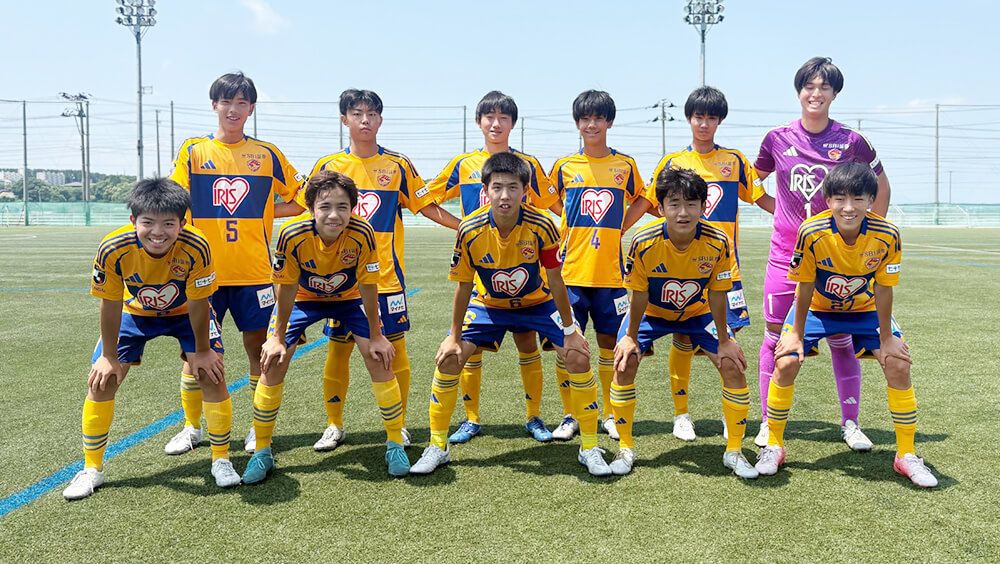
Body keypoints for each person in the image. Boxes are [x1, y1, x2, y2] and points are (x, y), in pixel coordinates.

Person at [409, 152, 609, 476]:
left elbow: (556, 280)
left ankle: (589, 447)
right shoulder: (469, 230)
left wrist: (570, 330)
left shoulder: (543, 225)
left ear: (525, 191)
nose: (505, 195)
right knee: (449, 358)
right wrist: (453, 336)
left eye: (513, 187)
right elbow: (463, 286)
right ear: (485, 190)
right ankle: (437, 446)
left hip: (538, 304)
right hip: (489, 305)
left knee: (578, 356)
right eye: (497, 187)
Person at [754, 162, 936, 487]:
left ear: (871, 200)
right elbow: (804, 285)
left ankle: (906, 455)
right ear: (828, 200)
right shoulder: (811, 231)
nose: (848, 207)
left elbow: (883, 288)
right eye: (839, 199)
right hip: (817, 309)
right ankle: (774, 446)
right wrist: (796, 334)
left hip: (864, 309)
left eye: (858, 199)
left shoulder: (887, 234)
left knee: (898, 364)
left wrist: (887, 338)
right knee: (786, 360)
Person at [304, 89, 460, 453]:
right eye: (357, 113)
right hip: (340, 281)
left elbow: (425, 205)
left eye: (372, 114)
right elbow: (307, 213)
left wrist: (466, 225)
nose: (365, 120)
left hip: (387, 279)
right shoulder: (328, 166)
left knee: (395, 350)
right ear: (344, 119)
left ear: (380, 120)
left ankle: (399, 424)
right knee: (338, 350)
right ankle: (334, 424)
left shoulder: (397, 165)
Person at [63, 178, 234, 500]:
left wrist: (201, 351)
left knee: (211, 374)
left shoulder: (197, 246)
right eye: (148, 222)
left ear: (183, 223)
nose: (158, 232)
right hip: (135, 313)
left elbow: (199, 302)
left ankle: (221, 458)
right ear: (133, 221)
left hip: (185, 313)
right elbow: (110, 302)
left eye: (169, 223)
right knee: (102, 381)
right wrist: (109, 356)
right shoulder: (114, 248)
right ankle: (91, 469)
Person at [753, 57, 893, 450]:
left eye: (824, 87)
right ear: (799, 91)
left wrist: (868, 234)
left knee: (841, 338)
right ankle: (767, 421)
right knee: (775, 338)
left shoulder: (852, 141)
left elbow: (881, 185)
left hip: (838, 261)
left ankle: (850, 423)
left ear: (834, 94)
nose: (816, 94)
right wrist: (778, 211)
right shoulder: (776, 138)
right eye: (809, 86)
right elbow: (752, 181)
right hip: (785, 256)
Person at [167, 72, 304, 455]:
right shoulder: (194, 151)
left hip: (255, 273)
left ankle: (258, 428)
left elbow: (302, 198)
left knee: (259, 348)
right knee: (197, 351)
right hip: (202, 274)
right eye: (226, 102)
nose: (233, 109)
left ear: (251, 109)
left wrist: (265, 211)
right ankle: (192, 427)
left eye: (242, 102)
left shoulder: (267, 154)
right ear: (214, 105)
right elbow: (174, 200)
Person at [241, 170, 409, 483]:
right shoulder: (292, 234)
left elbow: (368, 285)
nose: (334, 215)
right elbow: (287, 287)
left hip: (348, 299)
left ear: (353, 208)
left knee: (379, 356)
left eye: (342, 206)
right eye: (325, 206)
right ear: (311, 208)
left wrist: (376, 335)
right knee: (273, 360)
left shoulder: (363, 233)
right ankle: (262, 450)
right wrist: (277, 337)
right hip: (305, 299)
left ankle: (395, 444)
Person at [426, 91, 563, 444]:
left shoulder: (528, 164)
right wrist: (459, 225)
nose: (496, 123)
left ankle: (534, 417)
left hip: (525, 272)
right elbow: (425, 199)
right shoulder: (463, 164)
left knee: (527, 343)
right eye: (489, 116)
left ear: (513, 124)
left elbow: (553, 203)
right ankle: (471, 419)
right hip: (482, 273)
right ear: (479, 122)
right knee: (470, 349)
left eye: (504, 117)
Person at [647, 86, 773, 442]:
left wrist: (801, 218)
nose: (704, 123)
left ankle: (729, 414)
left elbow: (761, 198)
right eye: (698, 117)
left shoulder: (734, 161)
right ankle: (681, 414)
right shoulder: (672, 163)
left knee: (726, 341)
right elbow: (652, 204)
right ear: (688, 118)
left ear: (720, 121)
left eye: (711, 118)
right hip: (681, 268)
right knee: (683, 338)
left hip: (724, 268)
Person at [612, 166, 756, 478]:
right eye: (674, 204)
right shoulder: (643, 242)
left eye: (691, 204)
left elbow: (717, 292)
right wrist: (630, 337)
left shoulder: (718, 241)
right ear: (660, 208)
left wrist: (725, 340)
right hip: (652, 313)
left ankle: (734, 451)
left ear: (703, 207)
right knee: (625, 362)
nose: (683, 212)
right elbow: (638, 294)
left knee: (732, 364)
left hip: (697, 313)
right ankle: (625, 448)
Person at [546, 90, 647, 441]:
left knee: (609, 345)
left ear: (610, 122)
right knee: (567, 347)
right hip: (570, 274)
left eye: (599, 118)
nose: (592, 125)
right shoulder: (564, 166)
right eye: (585, 119)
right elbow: (545, 197)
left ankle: (608, 415)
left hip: (611, 275)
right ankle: (571, 415)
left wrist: (621, 225)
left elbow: (644, 198)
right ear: (577, 124)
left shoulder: (625, 166)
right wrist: (567, 219)